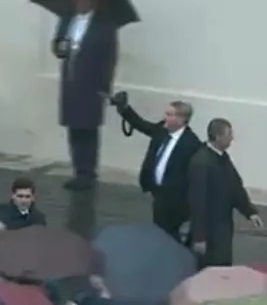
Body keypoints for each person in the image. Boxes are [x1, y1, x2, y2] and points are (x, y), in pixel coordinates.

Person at [51, 0, 119, 191]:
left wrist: (104, 87)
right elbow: (57, 45)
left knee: (88, 128)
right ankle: (78, 170)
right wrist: (60, 47)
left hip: (92, 83)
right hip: (71, 81)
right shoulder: (67, 19)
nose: (79, 3)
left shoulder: (104, 26)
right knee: (73, 126)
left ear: (92, 1)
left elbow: (110, 58)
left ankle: (89, 173)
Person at [108, 91, 200, 241]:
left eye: (170, 115)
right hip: (159, 194)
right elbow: (142, 125)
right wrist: (124, 109)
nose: (166, 118)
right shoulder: (162, 131)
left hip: (176, 200)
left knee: (170, 235)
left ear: (182, 119)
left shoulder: (191, 144)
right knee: (159, 232)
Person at [187, 118, 262, 267]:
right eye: (229, 134)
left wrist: (250, 212)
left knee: (222, 267)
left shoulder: (221, 158)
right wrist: (199, 237)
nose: (232, 138)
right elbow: (197, 202)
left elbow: (235, 188)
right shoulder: (201, 162)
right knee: (210, 270)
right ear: (217, 136)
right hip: (209, 231)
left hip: (222, 227)